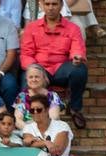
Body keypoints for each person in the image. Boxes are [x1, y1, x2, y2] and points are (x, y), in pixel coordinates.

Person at [19, 0, 87, 129]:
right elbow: (26, 54)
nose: (51, 8)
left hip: (62, 68)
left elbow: (77, 48)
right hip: (39, 68)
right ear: (41, 5)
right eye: (47, 4)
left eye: (54, 4)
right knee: (26, 77)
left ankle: (75, 109)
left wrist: (77, 57)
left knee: (79, 69)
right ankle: (26, 114)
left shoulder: (73, 28)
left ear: (61, 5)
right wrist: (36, 70)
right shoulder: (32, 27)